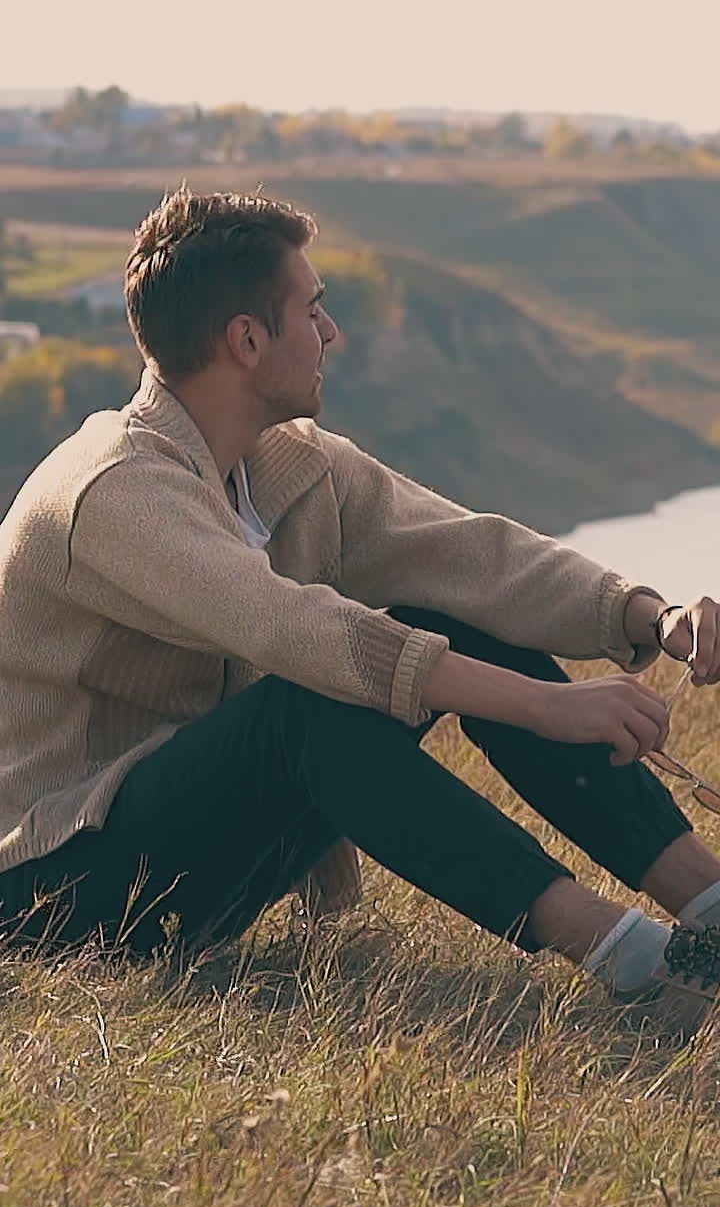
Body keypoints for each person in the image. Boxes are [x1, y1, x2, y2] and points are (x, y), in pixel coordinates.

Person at [1, 185, 720, 1040]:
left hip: (183, 860)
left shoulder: (288, 465)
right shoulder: (111, 489)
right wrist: (551, 705)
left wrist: (653, 616)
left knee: (450, 613)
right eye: (313, 308)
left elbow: (471, 555)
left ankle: (708, 907)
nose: (330, 332)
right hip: (52, 890)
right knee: (307, 707)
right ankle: (631, 957)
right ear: (246, 340)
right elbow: (290, 629)